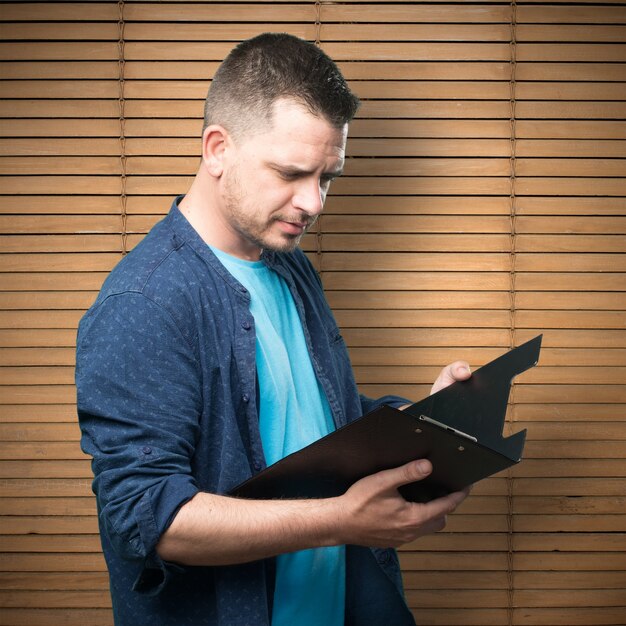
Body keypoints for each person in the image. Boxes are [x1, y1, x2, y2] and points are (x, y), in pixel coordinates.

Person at [76, 33, 471, 626]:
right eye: (291, 172)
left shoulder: (287, 265)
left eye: (327, 176)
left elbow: (310, 413)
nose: (313, 202)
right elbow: (150, 519)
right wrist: (341, 520)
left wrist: (420, 426)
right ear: (217, 148)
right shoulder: (144, 304)